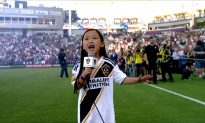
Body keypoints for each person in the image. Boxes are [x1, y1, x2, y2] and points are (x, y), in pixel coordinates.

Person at [71, 29, 151, 123]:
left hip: (106, 116)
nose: (90, 41)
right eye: (86, 39)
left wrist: (139, 79)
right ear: (83, 45)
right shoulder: (79, 66)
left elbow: (123, 79)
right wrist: (84, 74)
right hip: (86, 117)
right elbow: (76, 86)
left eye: (94, 38)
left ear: (102, 44)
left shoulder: (109, 64)